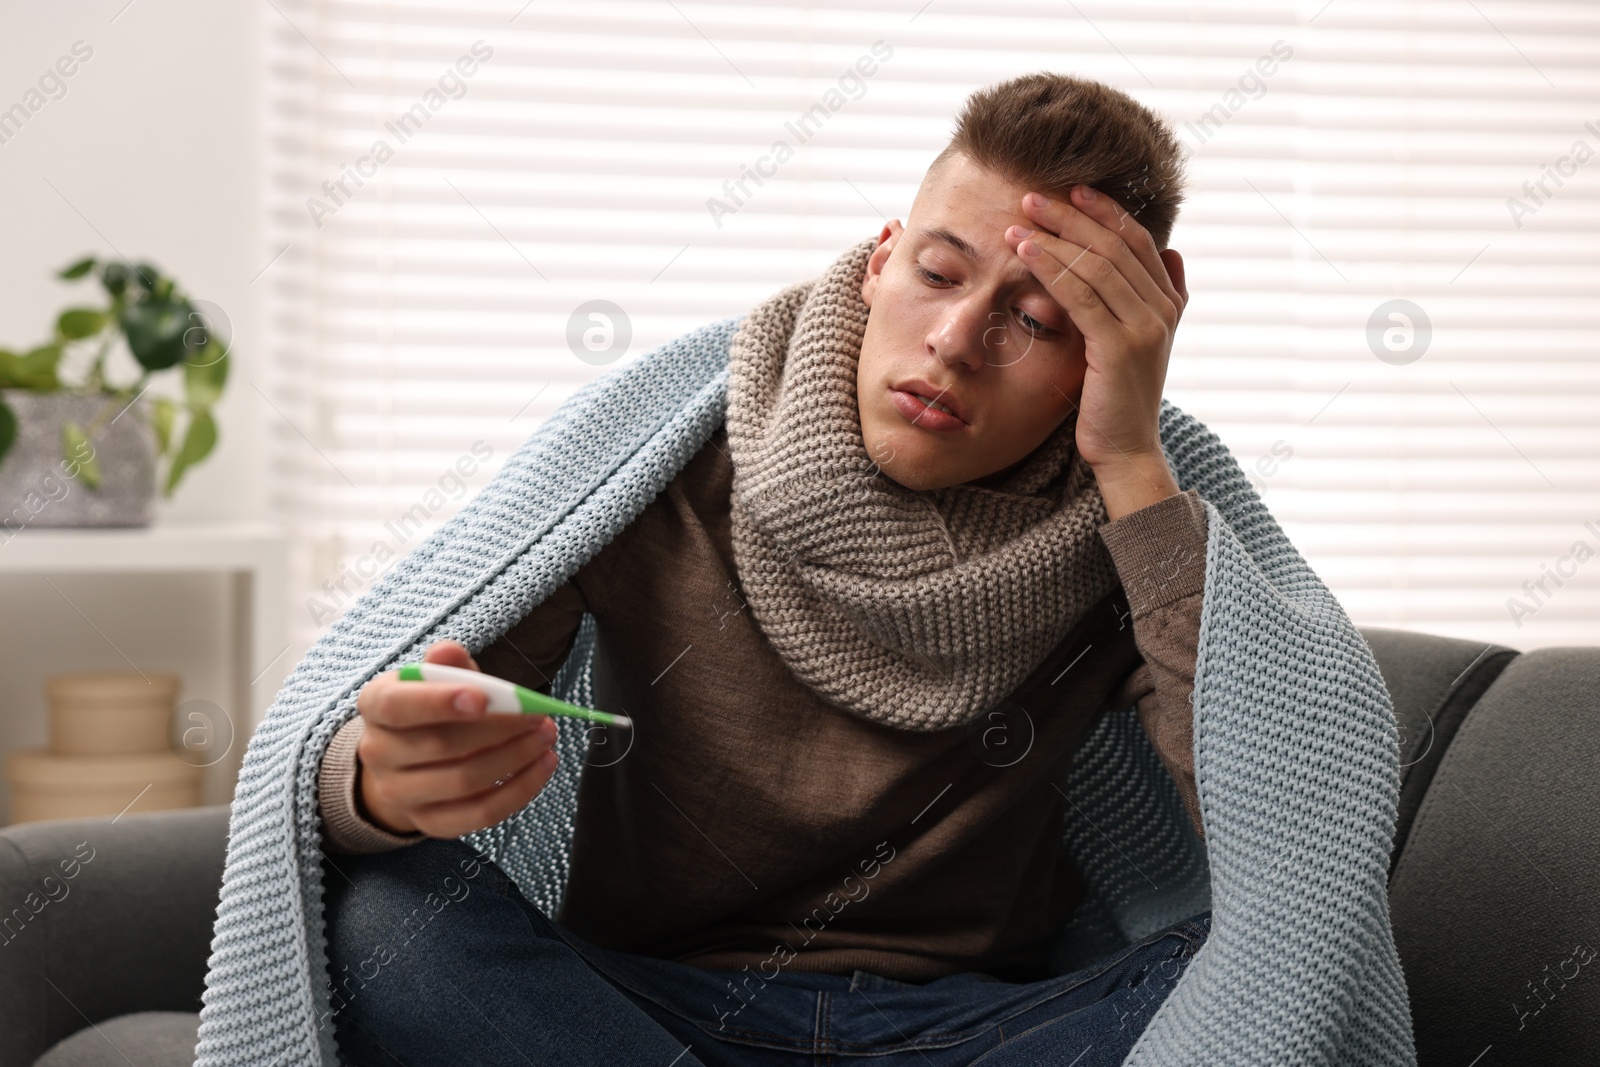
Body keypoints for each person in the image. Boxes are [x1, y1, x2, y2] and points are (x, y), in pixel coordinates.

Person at [318, 71, 1213, 1067]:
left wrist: (1133, 463)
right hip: (641, 1017)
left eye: (1037, 320)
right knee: (377, 923)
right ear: (880, 262)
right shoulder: (659, 452)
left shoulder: (1132, 516)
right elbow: (396, 716)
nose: (956, 341)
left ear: (1102, 357)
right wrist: (376, 781)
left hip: (973, 1034)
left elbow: (1270, 832)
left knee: (1252, 966)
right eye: (939, 273)